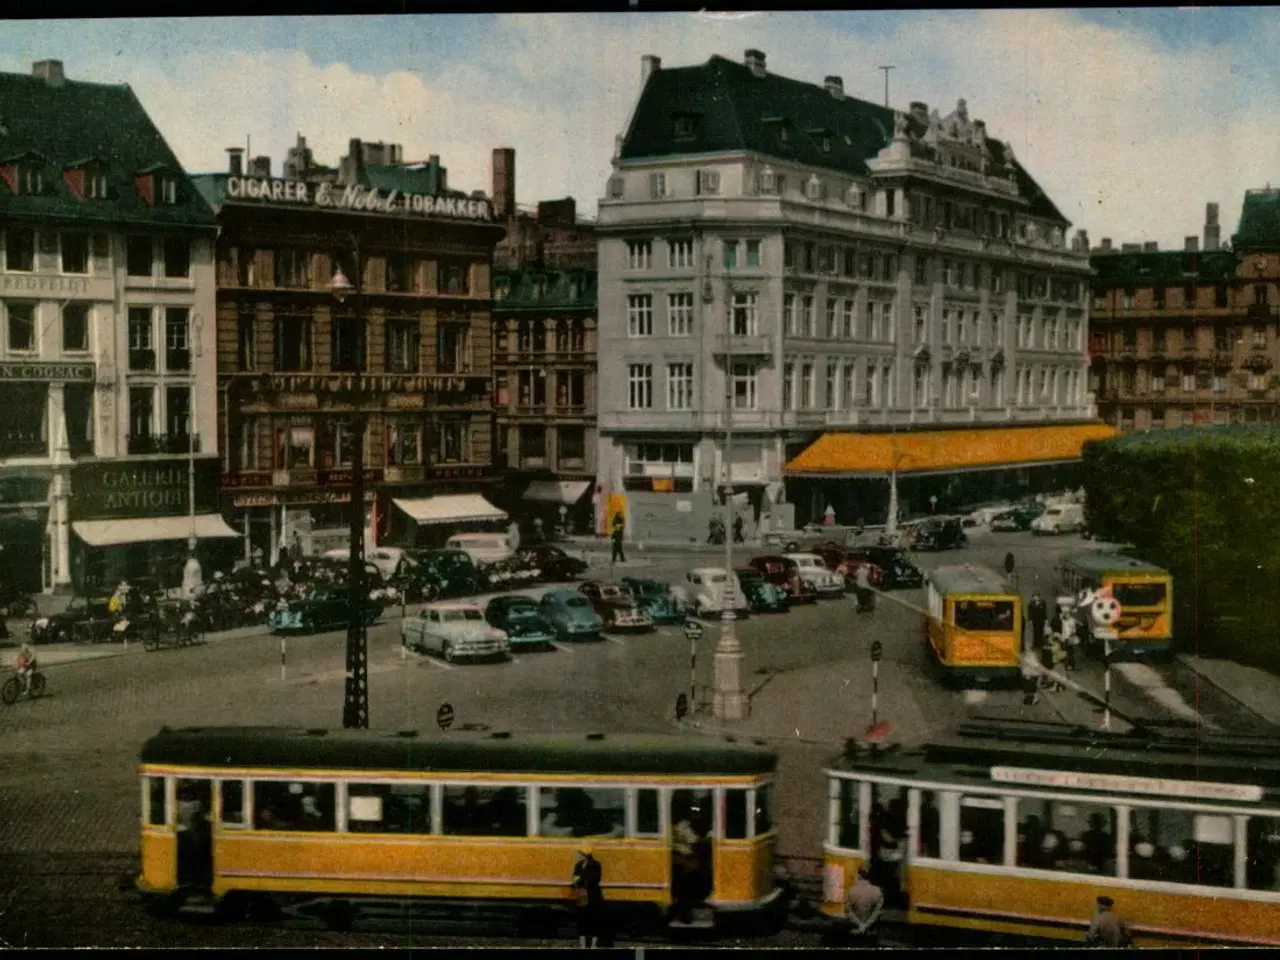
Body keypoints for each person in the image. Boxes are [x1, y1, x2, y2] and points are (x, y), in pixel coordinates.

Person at [571, 845, 605, 948]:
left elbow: (594, 879)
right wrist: (580, 880)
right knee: (582, 920)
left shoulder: (596, 865)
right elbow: (574, 879)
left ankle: (593, 945)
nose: (578, 855)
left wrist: (580, 878)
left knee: (594, 920)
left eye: (580, 853)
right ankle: (582, 945)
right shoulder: (578, 865)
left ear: (585, 854)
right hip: (582, 895)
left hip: (593, 895)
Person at [842, 867, 884, 945]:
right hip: (871, 931)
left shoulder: (851, 890)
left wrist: (860, 925)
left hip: (855, 930)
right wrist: (866, 925)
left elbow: (848, 911)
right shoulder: (877, 891)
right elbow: (877, 912)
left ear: (858, 876)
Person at [1027, 593, 1048, 674]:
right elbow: (1030, 612)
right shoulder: (1031, 604)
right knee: (1035, 632)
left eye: (1036, 597)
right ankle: (1036, 643)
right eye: (1034, 597)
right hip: (1035, 620)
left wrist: (1046, 619)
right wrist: (1030, 619)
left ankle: (1040, 643)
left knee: (1041, 631)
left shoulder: (1043, 603)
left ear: (1038, 597)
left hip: (1041, 620)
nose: (1035, 598)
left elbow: (1045, 612)